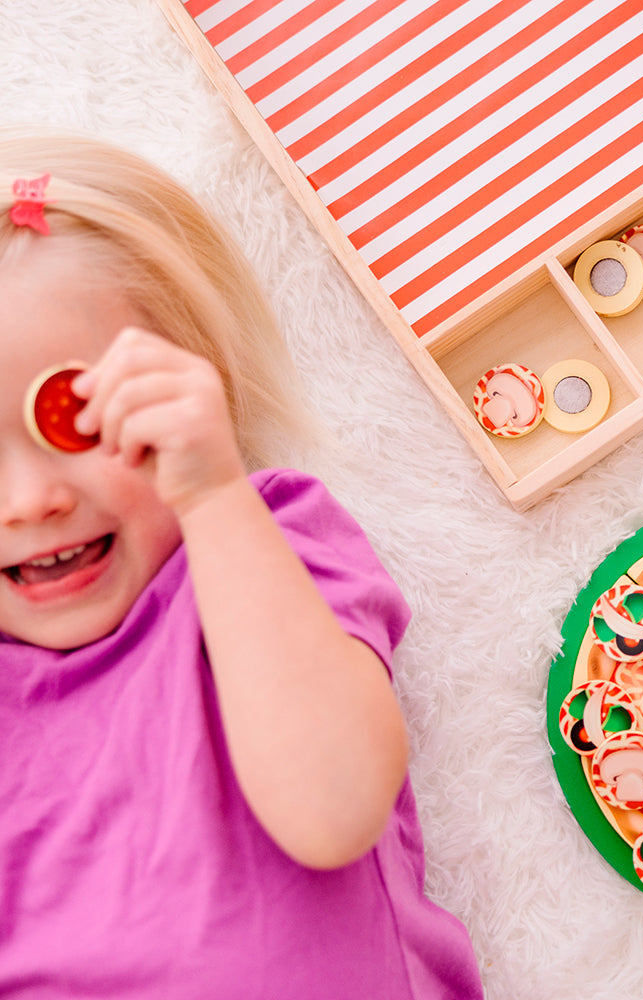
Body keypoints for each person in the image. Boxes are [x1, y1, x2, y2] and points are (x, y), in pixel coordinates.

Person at [0, 130, 484, 998]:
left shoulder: (262, 548)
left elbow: (336, 808)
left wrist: (213, 493)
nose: (30, 501)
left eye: (76, 420)